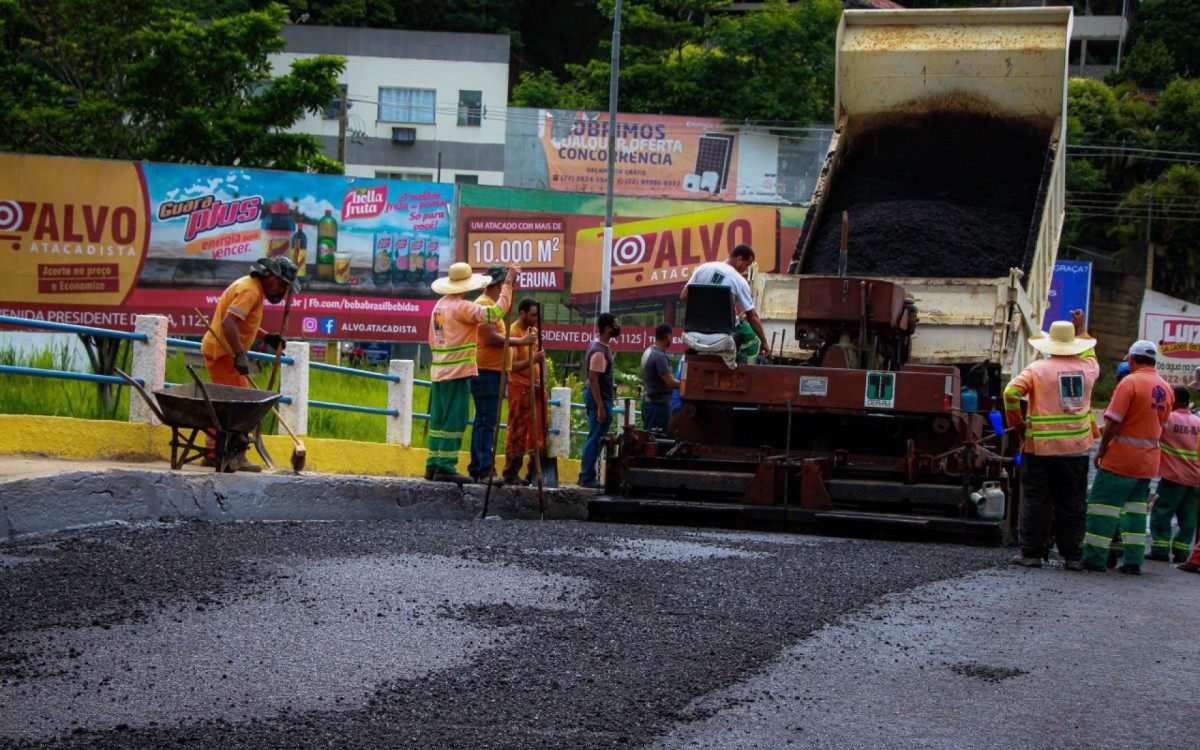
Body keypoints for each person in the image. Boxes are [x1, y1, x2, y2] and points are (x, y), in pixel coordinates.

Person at [1002, 310, 1099, 570]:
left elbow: (1011, 393)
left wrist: (1018, 425)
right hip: (1076, 450)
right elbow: (1090, 352)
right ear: (1074, 345)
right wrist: (1081, 327)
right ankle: (1073, 557)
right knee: (1073, 503)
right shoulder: (1089, 368)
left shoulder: (1037, 369)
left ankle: (1031, 553)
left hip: (1040, 449)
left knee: (1036, 499)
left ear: (1050, 344)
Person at [1082, 340, 1173, 574]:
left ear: (1132, 359)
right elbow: (1162, 425)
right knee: (1135, 511)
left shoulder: (1130, 383)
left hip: (1120, 459)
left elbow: (1113, 421)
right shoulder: (1166, 388)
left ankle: (1094, 558)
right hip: (1147, 462)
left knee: (1102, 507)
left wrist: (1101, 450)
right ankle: (1133, 562)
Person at [200, 257, 299, 471]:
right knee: (242, 406)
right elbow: (228, 323)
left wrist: (266, 337)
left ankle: (212, 452)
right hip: (223, 353)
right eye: (282, 284)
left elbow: (242, 323)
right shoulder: (251, 291)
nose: (282, 291)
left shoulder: (252, 288)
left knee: (224, 405)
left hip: (222, 352)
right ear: (271, 276)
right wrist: (238, 355)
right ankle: (236, 456)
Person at [426, 262, 517, 483]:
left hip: (439, 371)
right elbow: (496, 312)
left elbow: (433, 339)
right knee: (454, 420)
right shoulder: (462, 307)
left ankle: (433, 464)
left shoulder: (439, 306)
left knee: (438, 419)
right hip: (456, 372)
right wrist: (508, 285)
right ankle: (446, 466)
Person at [468, 266, 533, 482]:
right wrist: (520, 341)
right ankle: (483, 468)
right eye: (505, 285)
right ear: (497, 285)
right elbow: (491, 337)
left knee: (486, 419)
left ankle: (481, 466)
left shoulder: (492, 306)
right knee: (486, 420)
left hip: (495, 371)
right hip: (486, 371)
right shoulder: (483, 305)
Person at [681, 244, 771, 361]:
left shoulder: (703, 268)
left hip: (697, 327)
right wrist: (764, 342)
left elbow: (684, 296)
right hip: (725, 329)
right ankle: (742, 370)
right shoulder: (740, 281)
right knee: (753, 338)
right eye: (747, 265)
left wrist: (703, 312)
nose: (746, 269)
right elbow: (751, 316)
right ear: (739, 259)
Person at [1149, 386, 1200, 563]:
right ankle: (1182, 551)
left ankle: (1160, 549)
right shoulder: (1198, 422)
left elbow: (1154, 436)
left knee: (1162, 512)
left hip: (1173, 477)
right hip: (1195, 479)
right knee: (1188, 516)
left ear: (1175, 401)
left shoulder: (1169, 419)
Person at [502, 298, 547, 484]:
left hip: (536, 388)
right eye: (533, 315)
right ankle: (511, 472)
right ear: (522, 313)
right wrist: (533, 360)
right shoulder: (513, 332)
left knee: (540, 432)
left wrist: (543, 382)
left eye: (538, 315)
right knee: (517, 431)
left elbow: (542, 359)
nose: (536, 318)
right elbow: (511, 366)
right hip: (519, 388)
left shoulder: (535, 332)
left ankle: (533, 473)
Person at [579, 312, 620, 489]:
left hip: (602, 398)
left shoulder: (602, 347)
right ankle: (587, 476)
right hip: (599, 400)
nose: (618, 327)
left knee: (596, 437)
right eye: (616, 324)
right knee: (595, 438)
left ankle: (587, 475)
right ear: (608, 328)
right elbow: (594, 380)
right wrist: (601, 407)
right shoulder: (599, 352)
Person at [640, 323, 678, 432]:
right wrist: (687, 383)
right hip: (657, 406)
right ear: (668, 336)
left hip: (649, 401)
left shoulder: (648, 351)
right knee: (656, 440)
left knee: (649, 436)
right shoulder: (659, 357)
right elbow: (670, 383)